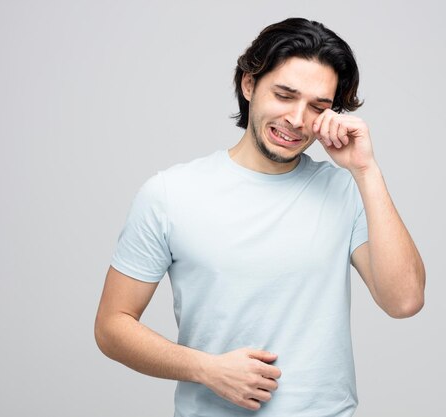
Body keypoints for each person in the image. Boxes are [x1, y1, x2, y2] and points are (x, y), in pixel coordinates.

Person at [94, 17, 425, 417]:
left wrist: (366, 170)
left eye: (317, 106)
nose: (298, 120)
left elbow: (404, 300)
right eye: (285, 95)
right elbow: (112, 326)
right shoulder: (170, 194)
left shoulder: (344, 190)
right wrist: (206, 368)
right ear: (249, 84)